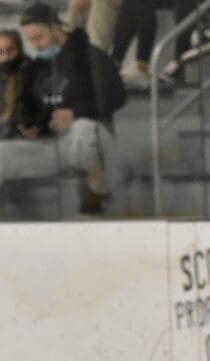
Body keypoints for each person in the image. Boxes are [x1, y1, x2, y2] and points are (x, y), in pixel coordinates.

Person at [5, 2, 126, 214]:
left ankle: (96, 194)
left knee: (83, 129)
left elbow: (116, 96)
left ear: (55, 28)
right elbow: (29, 109)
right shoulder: (38, 67)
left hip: (92, 140)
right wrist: (29, 125)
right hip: (53, 145)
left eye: (39, 37)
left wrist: (75, 114)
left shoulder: (91, 56)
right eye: (30, 40)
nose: (36, 45)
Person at [0, 30, 27, 139]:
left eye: (10, 50)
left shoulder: (30, 73)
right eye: (0, 51)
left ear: (19, 50)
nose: (5, 56)